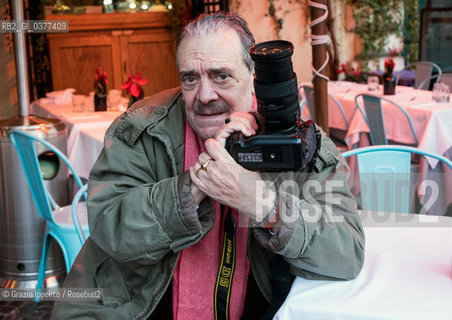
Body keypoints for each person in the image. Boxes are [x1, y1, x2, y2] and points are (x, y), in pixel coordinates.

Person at [51, 11, 364, 320]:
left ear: (253, 79)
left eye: (221, 76)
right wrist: (196, 184)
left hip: (258, 305)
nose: (204, 95)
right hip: (135, 306)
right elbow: (109, 228)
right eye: (190, 78)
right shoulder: (142, 129)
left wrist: (263, 203)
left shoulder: (297, 142)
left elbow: (345, 253)